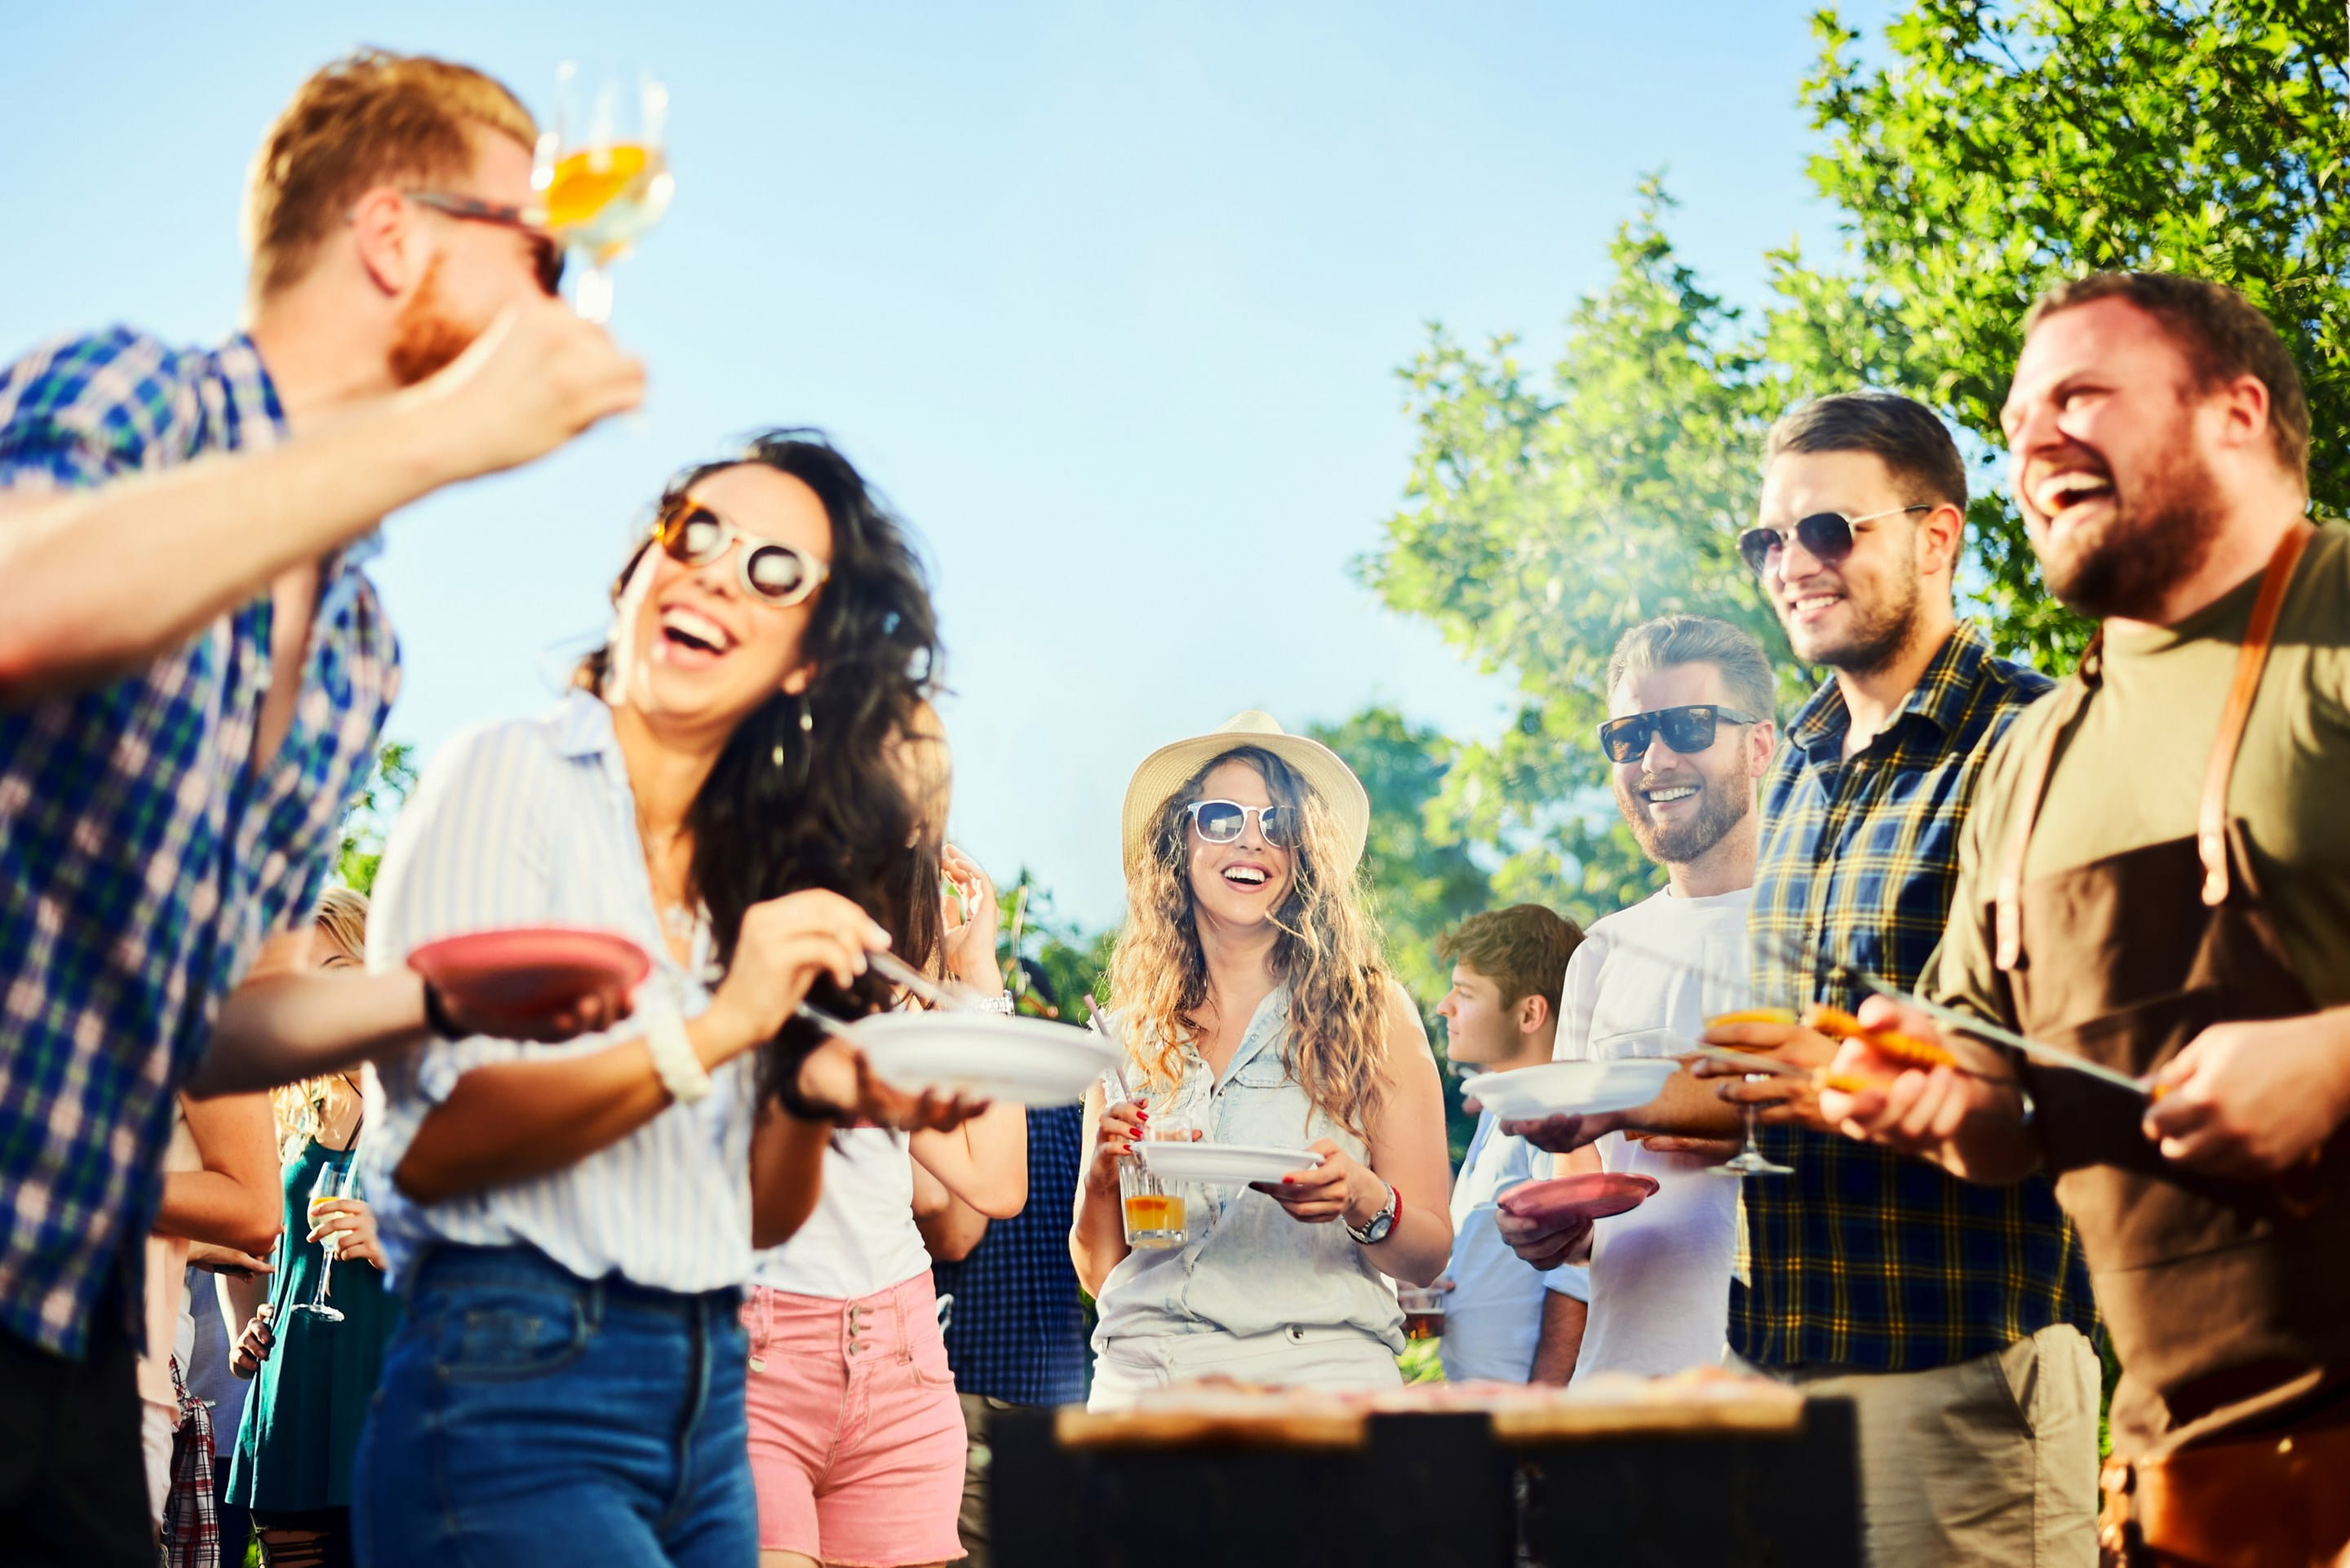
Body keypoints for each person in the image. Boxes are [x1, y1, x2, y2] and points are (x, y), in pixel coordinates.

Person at [0, 52, 639, 1561]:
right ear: (394, 234)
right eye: (531, 247)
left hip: (68, 1310)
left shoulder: (358, 643)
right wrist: (446, 430)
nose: (560, 291)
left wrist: (435, 994)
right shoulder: (136, 393)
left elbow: (222, 1025)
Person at [352, 431, 987, 1568]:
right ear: (631, 577)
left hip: (710, 1396)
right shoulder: (512, 770)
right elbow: (435, 1148)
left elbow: (754, 1218)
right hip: (517, 1380)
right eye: (693, 533)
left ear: (808, 660)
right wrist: (717, 1029)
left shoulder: (747, 874)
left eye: (775, 569)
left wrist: (804, 1090)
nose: (713, 569)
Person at [1502, 394, 2102, 1566]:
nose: (1791, 564)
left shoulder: (2043, 740)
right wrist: (1614, 1104)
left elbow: (2099, 1080)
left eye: (1828, 529)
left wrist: (1866, 1078)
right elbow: (1774, 1076)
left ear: (1939, 537)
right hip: (1777, 1390)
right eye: (1767, 540)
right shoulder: (1808, 784)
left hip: (1965, 1382)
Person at [1819, 274, 2350, 1567]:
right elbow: (2004, 1107)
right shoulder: (2032, 755)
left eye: (2082, 396)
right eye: (2014, 423)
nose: (2035, 441)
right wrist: (1936, 1095)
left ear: (2236, 412)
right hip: (2189, 1502)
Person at [1075, 711, 1453, 1407]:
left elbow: (1429, 1249)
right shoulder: (1126, 1038)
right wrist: (1104, 1176)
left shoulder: (1374, 1012)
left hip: (1320, 1386)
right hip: (1146, 1386)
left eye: (1277, 823)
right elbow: (1103, 1273)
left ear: (1302, 853)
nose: (1251, 839)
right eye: (1221, 818)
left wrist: (1363, 1199)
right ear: (1179, 842)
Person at [743, 825, 1030, 1568]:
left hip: (902, 1363)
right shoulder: (739, 973)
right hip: (757, 1357)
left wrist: (979, 977)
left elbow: (996, 1182)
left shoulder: (896, 1018)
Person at [1524, 616, 1773, 1386]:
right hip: (1621, 1390)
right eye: (1629, 737)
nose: (1655, 759)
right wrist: (1546, 1225)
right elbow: (1581, 1174)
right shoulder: (1602, 952)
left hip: (1789, 1394)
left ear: (1758, 746)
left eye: (1689, 726)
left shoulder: (1826, 924)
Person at [224, 889, 400, 1568]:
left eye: (334, 969)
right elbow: (264, 1252)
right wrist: (251, 1327)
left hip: (387, 1396)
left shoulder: (430, 1085)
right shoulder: (292, 1104)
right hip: (290, 1402)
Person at [920, 959, 1091, 1568]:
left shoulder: (958, 1099)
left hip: (970, 1375)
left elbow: (954, 1238)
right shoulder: (1075, 1106)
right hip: (1059, 1381)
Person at [1427, 905, 1590, 1384]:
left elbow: (1575, 1278)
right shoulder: (1500, 1109)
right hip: (1482, 1403)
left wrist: (1538, 1421)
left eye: (1466, 993)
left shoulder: (1554, 1116)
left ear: (1529, 1013)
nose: (1444, 1006)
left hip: (1522, 1413)